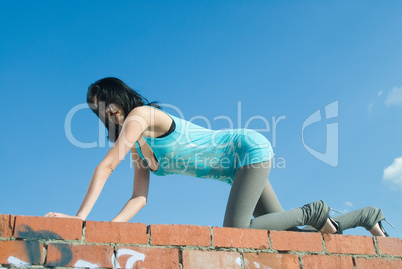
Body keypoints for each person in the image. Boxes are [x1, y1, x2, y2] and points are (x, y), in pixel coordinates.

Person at [46, 77, 390, 237]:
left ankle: (316, 210)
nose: (100, 110)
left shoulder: (140, 117)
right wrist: (105, 229)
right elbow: (139, 198)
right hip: (237, 170)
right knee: (289, 234)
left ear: (116, 99)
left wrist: (78, 220)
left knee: (237, 230)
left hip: (247, 150)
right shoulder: (137, 146)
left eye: (101, 102)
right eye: (94, 108)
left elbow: (106, 167)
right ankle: (366, 215)